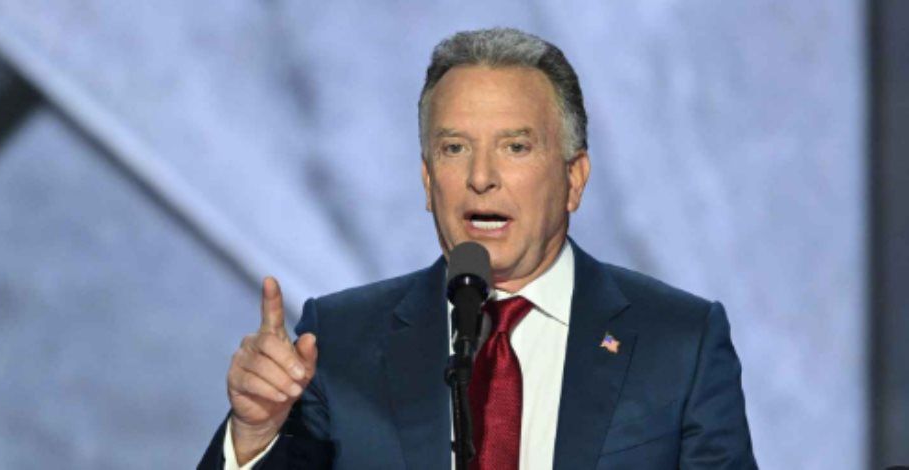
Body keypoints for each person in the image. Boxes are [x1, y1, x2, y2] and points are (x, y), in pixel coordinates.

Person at [199, 28, 757, 469]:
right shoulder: (338, 342)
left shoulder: (679, 342)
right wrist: (254, 435)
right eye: (454, 148)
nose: (481, 177)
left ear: (574, 178)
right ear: (427, 181)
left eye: (515, 147)